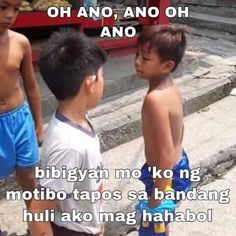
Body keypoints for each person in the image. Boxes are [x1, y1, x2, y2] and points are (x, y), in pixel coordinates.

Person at [28, 28, 107, 236]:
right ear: (90, 83)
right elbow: (38, 212)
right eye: (102, 75)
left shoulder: (79, 121)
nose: (103, 81)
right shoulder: (70, 146)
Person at [134, 25, 191, 235]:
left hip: (165, 176)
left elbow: (165, 153)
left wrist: (157, 197)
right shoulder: (171, 88)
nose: (137, 62)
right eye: (137, 54)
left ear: (167, 65)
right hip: (178, 166)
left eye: (145, 59)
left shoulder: (154, 99)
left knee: (151, 228)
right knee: (161, 227)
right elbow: (180, 130)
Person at [0, 0, 43, 207]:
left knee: (28, 175)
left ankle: (37, 223)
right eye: (2, 7)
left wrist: (39, 125)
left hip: (19, 119)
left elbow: (31, 85)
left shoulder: (21, 42)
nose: (10, 15)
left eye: (16, 9)